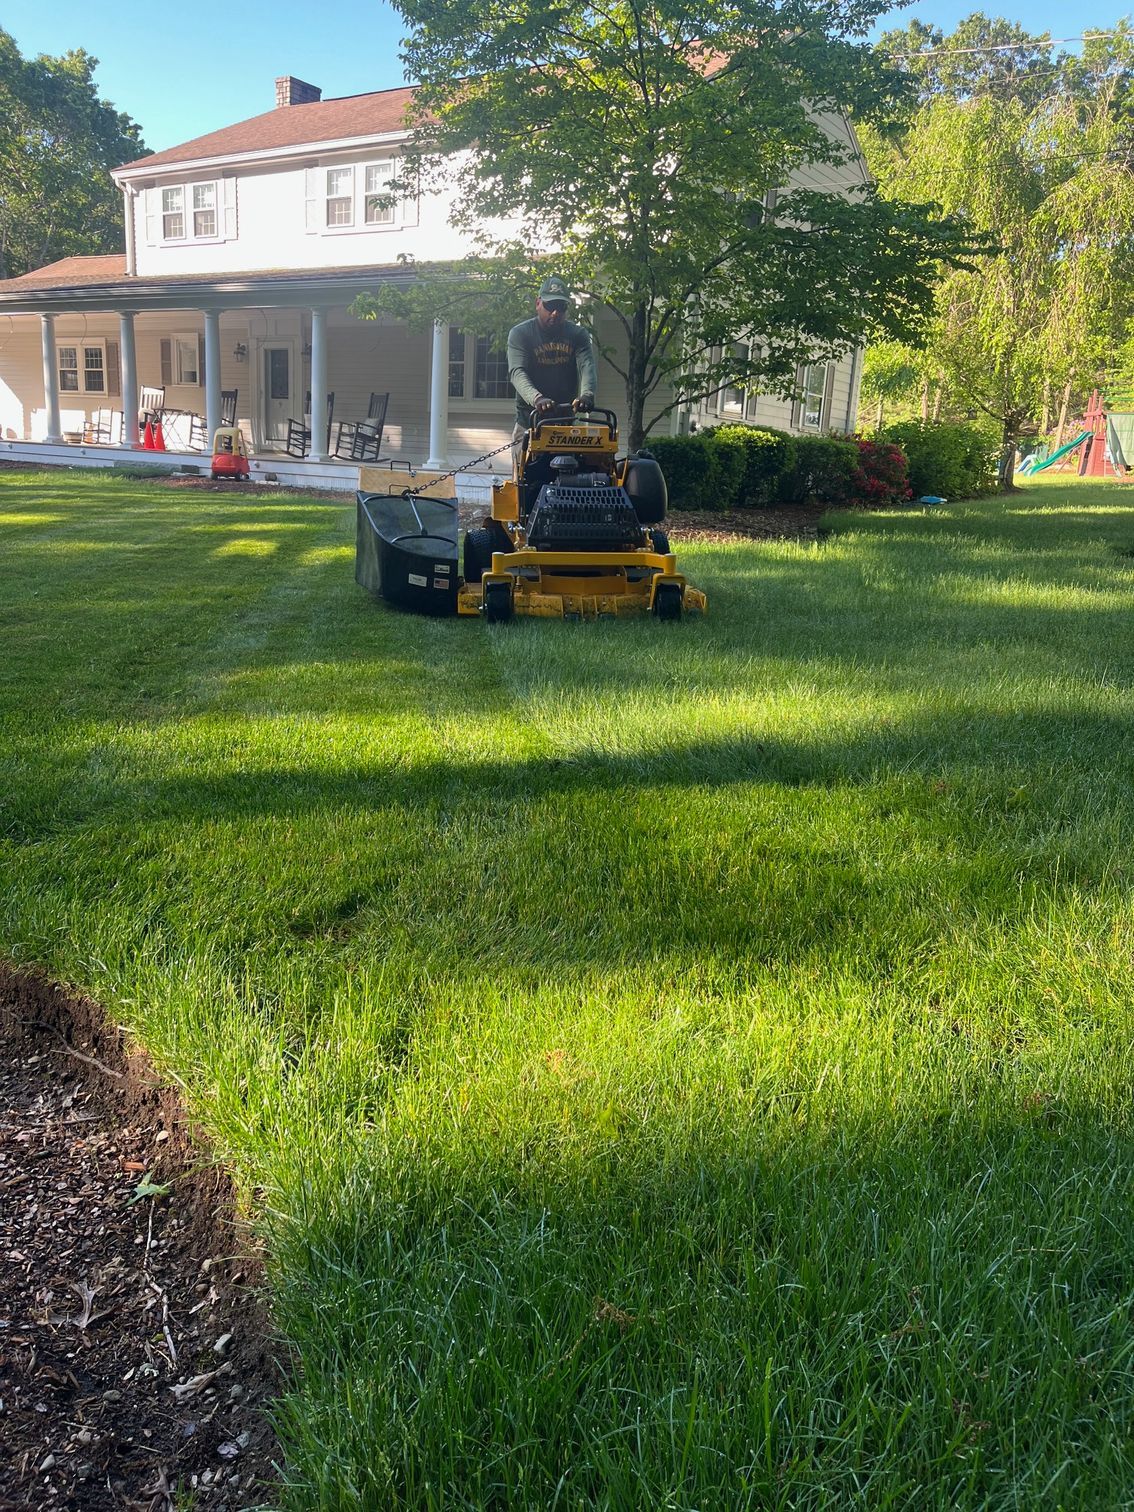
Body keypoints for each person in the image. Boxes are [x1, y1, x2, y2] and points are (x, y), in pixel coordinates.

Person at [506, 276, 598, 473]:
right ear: (538, 303)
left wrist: (587, 394)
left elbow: (587, 365)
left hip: (566, 424)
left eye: (561, 307)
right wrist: (537, 398)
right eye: (550, 305)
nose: (555, 312)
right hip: (529, 422)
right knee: (523, 485)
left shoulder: (578, 335)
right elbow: (517, 372)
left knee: (573, 478)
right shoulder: (520, 334)